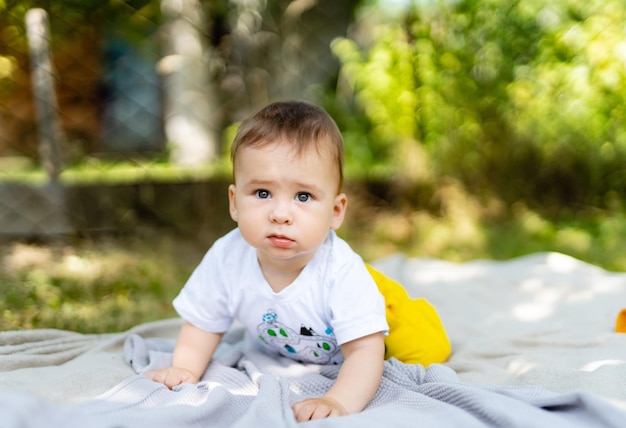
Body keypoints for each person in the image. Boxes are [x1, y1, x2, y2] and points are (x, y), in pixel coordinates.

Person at [147, 100, 450, 422]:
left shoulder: (342, 273)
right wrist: (184, 368)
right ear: (234, 203)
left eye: (303, 197)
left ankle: (407, 312)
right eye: (262, 193)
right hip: (294, 337)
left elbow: (364, 352)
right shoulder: (227, 257)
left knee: (427, 351)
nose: (280, 214)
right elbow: (203, 322)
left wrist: (339, 402)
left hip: (383, 309)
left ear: (335, 212)